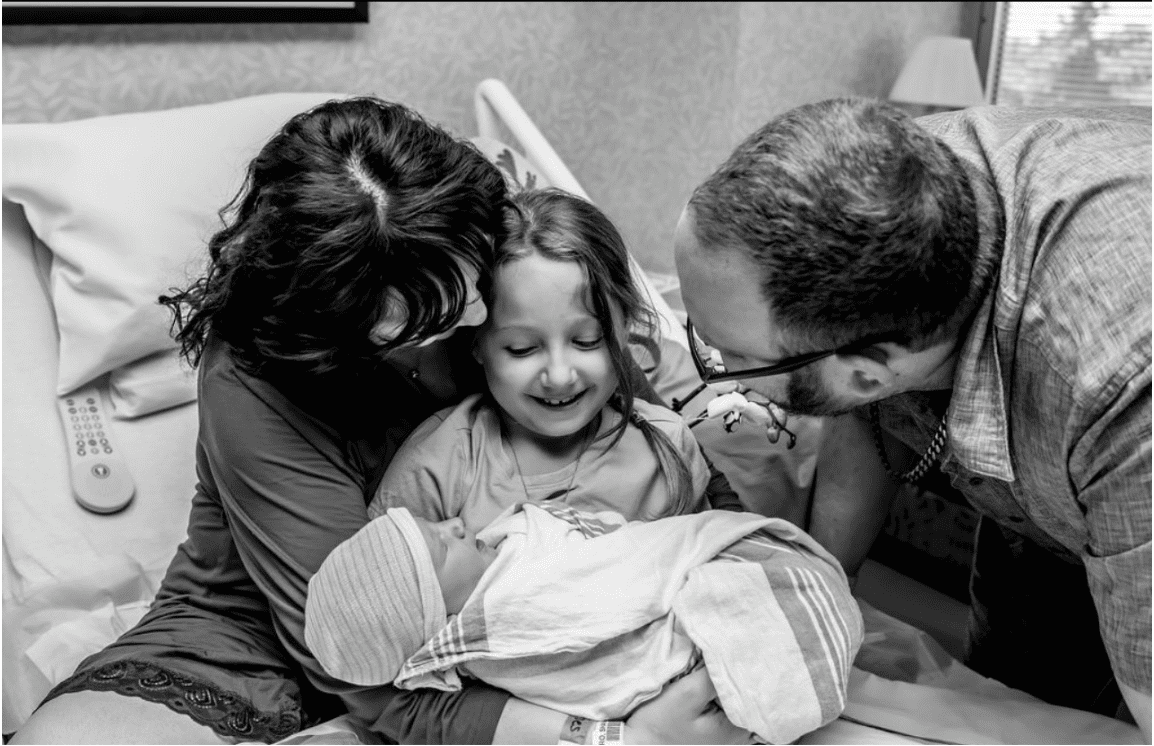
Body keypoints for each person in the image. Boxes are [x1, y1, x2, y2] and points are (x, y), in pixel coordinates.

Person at [11, 99, 738, 746]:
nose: (479, 318)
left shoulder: (490, 256)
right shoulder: (251, 378)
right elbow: (356, 666)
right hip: (261, 635)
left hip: (516, 617)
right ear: (330, 326)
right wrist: (605, 736)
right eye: (430, 319)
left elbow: (628, 397)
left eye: (474, 287)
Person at [672, 97, 1151, 740]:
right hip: (1045, 502)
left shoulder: (1119, 389)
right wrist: (826, 585)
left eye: (731, 357)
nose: (715, 367)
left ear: (869, 368)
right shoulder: (891, 182)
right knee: (1014, 689)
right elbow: (861, 409)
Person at [303, 502, 862, 745]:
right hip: (668, 666)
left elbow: (614, 547)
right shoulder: (498, 624)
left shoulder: (510, 548)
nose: (454, 523)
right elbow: (593, 607)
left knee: (749, 586)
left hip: (694, 572)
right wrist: (628, 738)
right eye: (440, 546)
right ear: (437, 618)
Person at [367, 187, 743, 540]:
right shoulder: (433, 471)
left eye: (587, 341)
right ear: (476, 344)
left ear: (626, 329)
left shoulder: (669, 447)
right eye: (521, 349)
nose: (560, 375)